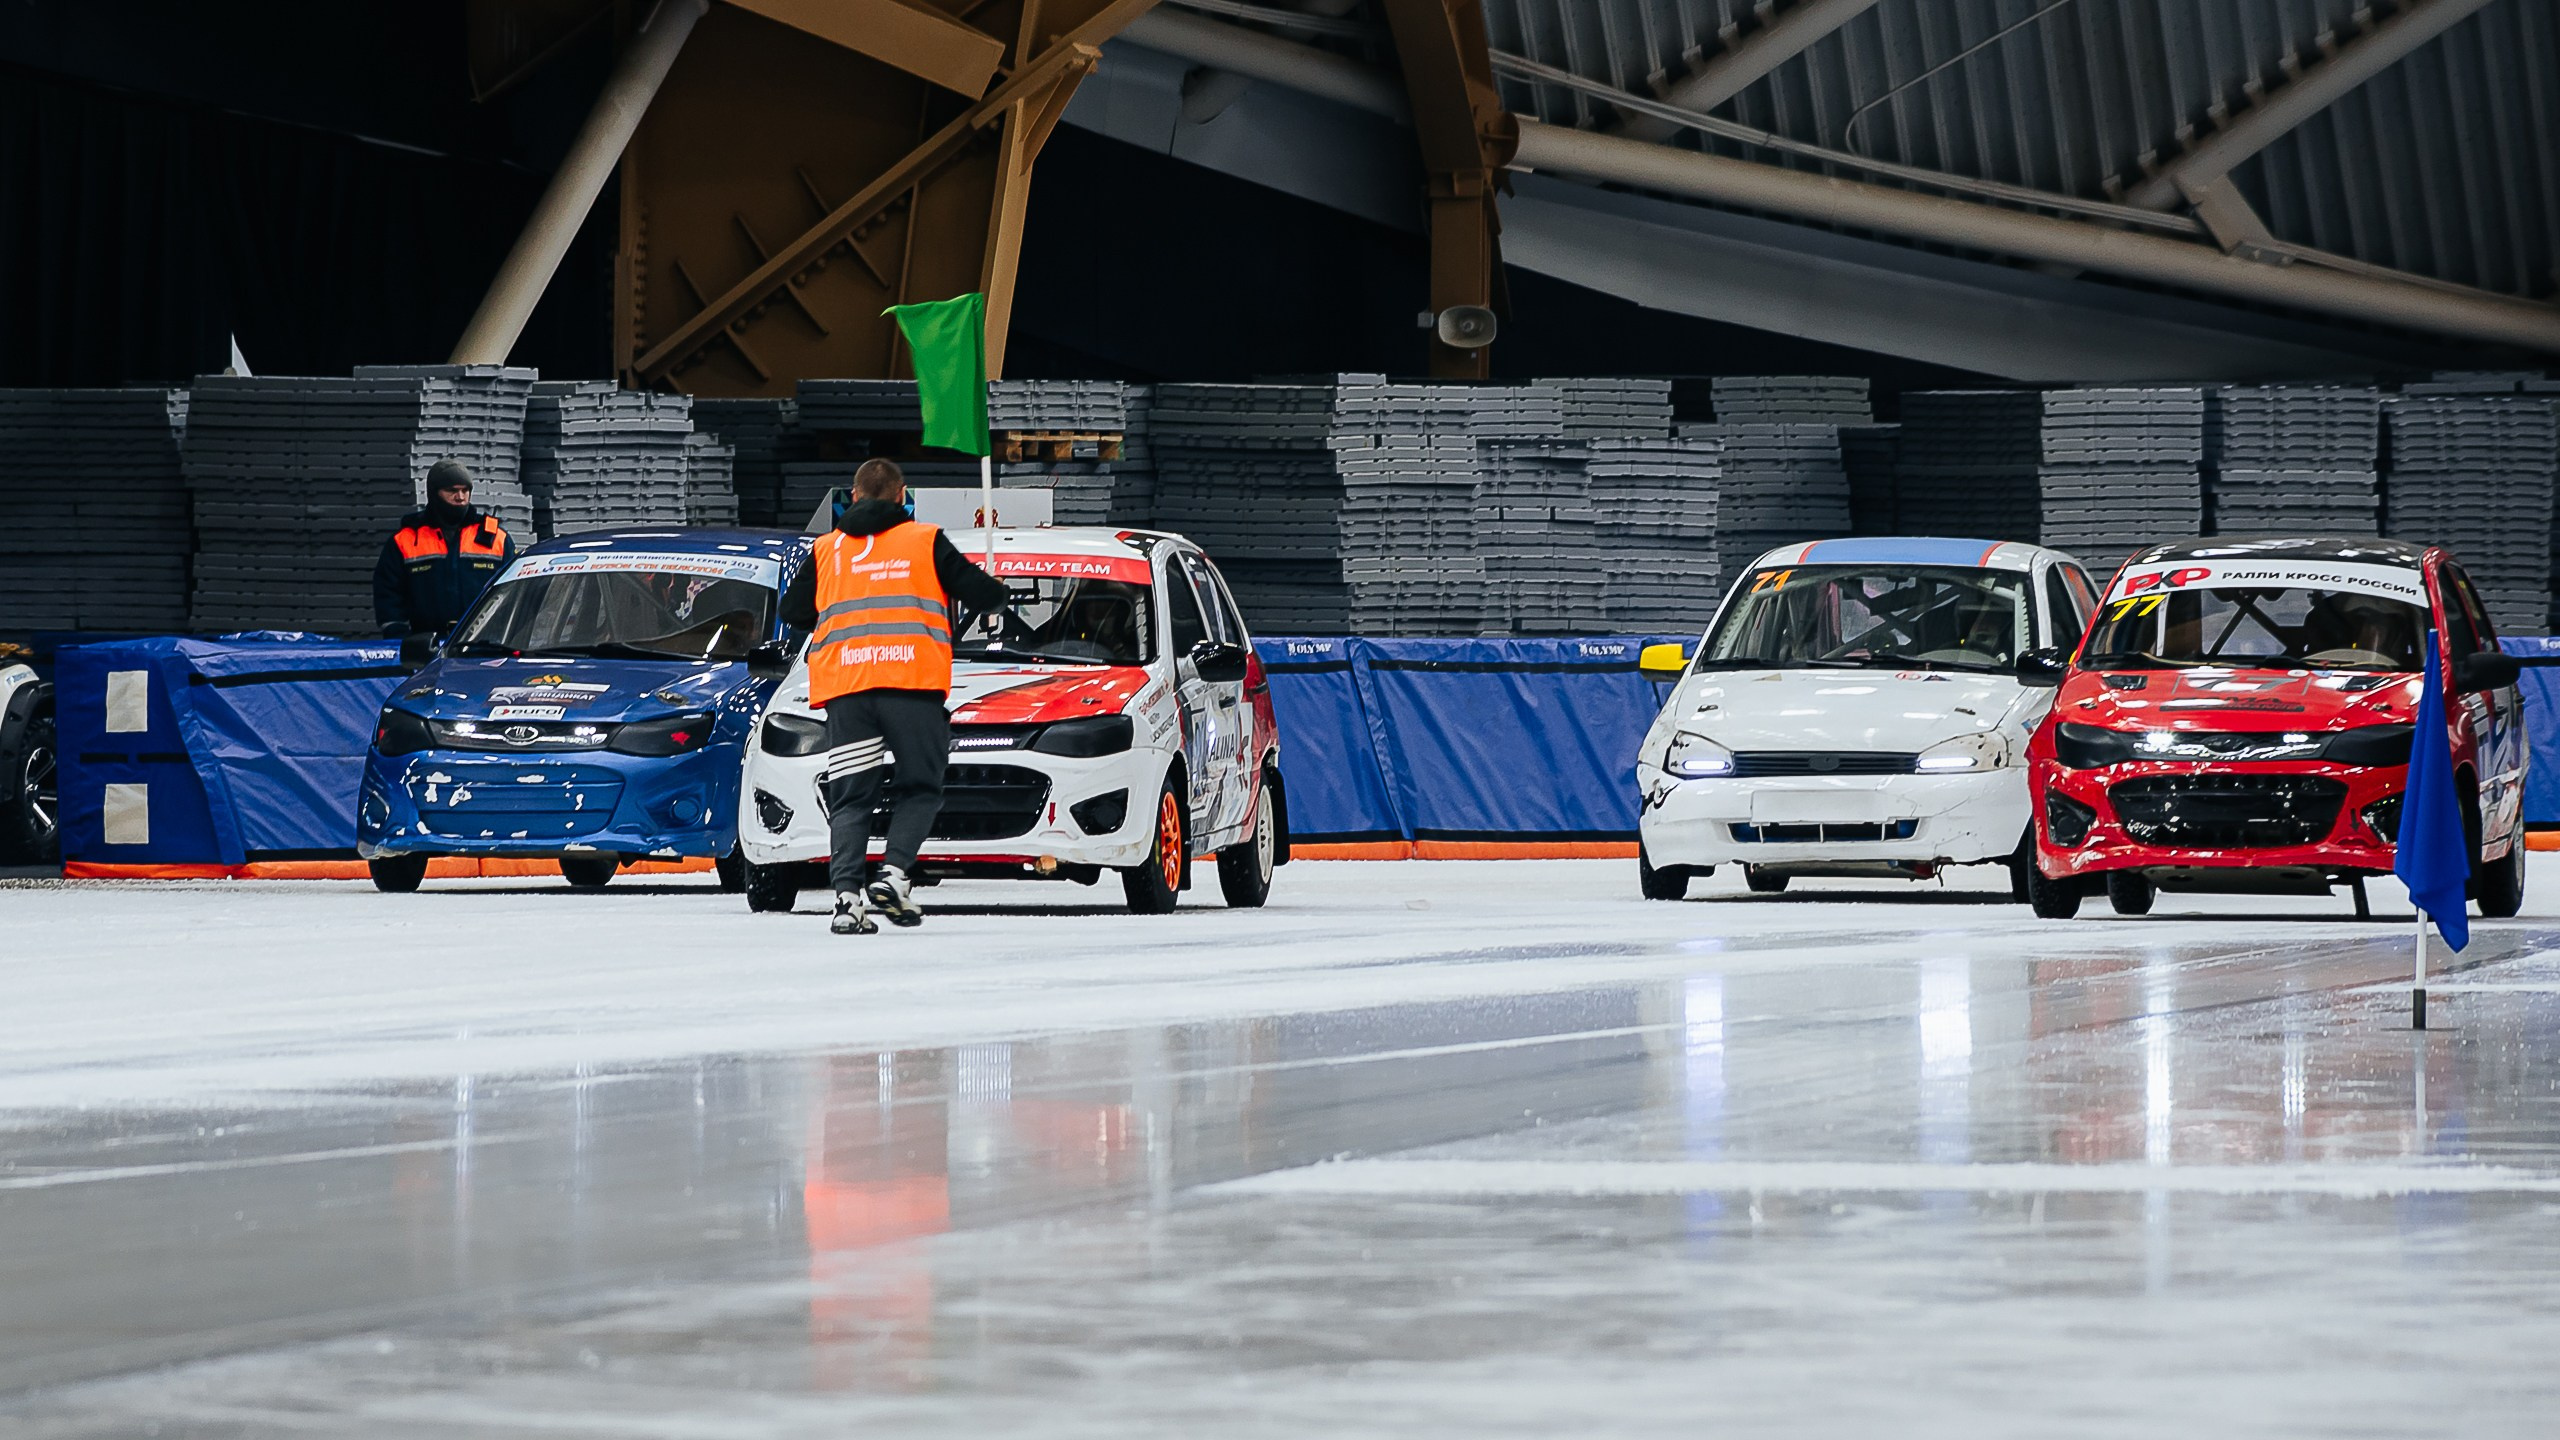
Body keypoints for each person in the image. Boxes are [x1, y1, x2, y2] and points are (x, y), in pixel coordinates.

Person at [779, 457, 1010, 935]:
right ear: (902, 496)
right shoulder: (924, 540)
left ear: (854, 496)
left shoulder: (826, 549)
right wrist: (997, 590)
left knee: (851, 799)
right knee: (920, 788)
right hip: (911, 686)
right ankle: (894, 874)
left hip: (847, 691)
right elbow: (983, 596)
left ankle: (846, 901)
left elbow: (793, 611)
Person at [375, 459, 515, 638]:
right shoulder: (405, 540)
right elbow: (388, 594)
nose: (460, 497)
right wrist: (398, 636)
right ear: (434, 494)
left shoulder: (496, 538)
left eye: (465, 490)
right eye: (452, 491)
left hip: (483, 643)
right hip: (424, 644)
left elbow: (513, 592)